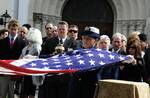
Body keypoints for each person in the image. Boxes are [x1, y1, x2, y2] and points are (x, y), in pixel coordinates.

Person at [38, 21, 77, 98]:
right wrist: (52, 56)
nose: (62, 31)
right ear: (57, 30)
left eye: (63, 29)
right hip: (51, 78)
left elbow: (75, 59)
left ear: (67, 30)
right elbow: (41, 56)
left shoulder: (73, 43)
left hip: (66, 79)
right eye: (60, 29)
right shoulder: (49, 41)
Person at [68, 26, 100, 98]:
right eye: (83, 38)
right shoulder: (77, 52)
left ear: (96, 40)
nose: (85, 41)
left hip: (89, 91)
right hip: (75, 90)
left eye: (88, 39)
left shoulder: (99, 55)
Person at [0, 19, 26, 98]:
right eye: (12, 29)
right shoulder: (2, 42)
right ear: (8, 29)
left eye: (15, 29)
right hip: (3, 72)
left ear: (18, 30)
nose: (13, 31)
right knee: (2, 93)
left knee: (13, 94)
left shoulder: (22, 43)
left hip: (15, 72)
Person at [20, 28, 42, 98]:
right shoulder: (25, 47)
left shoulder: (37, 47)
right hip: (24, 73)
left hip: (32, 73)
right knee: (24, 92)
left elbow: (39, 58)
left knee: (31, 93)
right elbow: (20, 58)